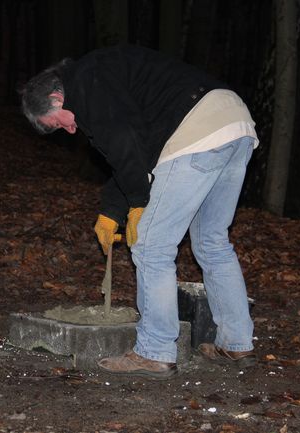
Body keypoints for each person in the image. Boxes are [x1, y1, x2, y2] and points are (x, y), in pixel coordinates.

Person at [20, 44, 259, 379]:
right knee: (211, 241)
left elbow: (127, 143)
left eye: (58, 123)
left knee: (151, 246)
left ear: (56, 99)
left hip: (195, 131)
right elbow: (131, 153)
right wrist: (110, 212)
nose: (69, 131)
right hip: (234, 124)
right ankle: (236, 341)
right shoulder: (99, 77)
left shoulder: (88, 82)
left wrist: (137, 203)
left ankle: (155, 351)